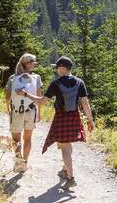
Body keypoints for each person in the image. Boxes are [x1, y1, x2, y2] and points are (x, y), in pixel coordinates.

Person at [41, 56, 96, 189]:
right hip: (74, 116)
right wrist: (90, 120)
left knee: (64, 147)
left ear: (62, 68)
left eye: (57, 67)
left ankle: (71, 178)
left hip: (61, 117)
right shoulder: (79, 82)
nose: (56, 70)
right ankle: (65, 169)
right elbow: (85, 103)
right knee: (65, 143)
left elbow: (43, 101)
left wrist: (27, 95)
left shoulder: (56, 83)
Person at [5, 53, 43, 172]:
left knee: (16, 139)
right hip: (31, 110)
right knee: (28, 138)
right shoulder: (36, 78)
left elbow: (7, 97)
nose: (34, 65)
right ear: (25, 64)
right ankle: (24, 164)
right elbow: (38, 96)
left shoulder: (12, 78)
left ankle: (19, 162)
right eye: (32, 62)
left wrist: (8, 108)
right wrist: (39, 112)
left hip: (16, 111)